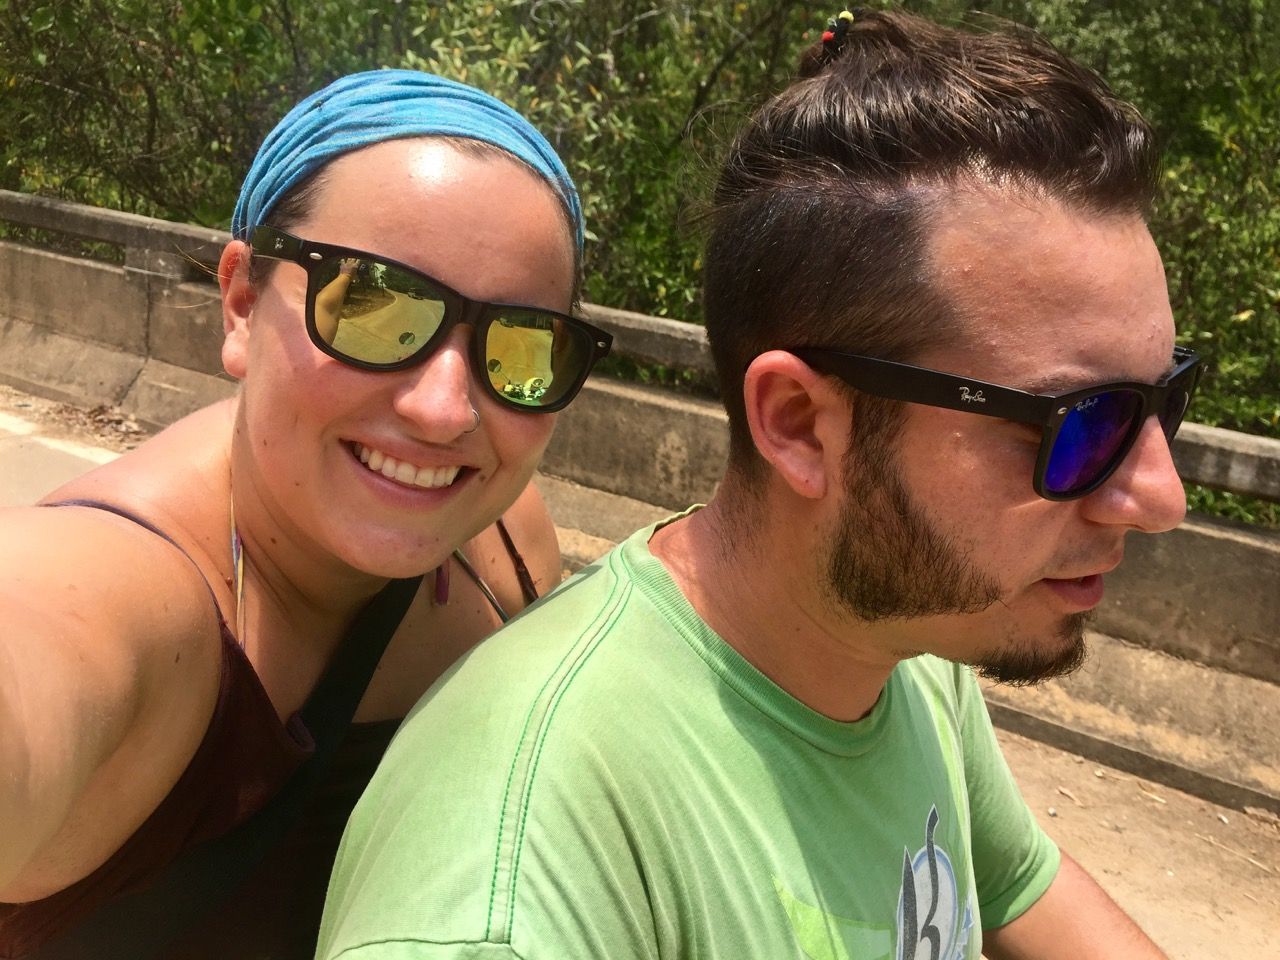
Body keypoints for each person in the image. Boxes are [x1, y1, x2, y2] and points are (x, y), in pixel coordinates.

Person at [318, 10, 1199, 960]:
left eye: (1167, 401)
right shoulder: (527, 863)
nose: (1160, 494)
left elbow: (1026, 889)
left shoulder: (911, 650)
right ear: (798, 424)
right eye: (1085, 425)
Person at [0, 69, 612, 959]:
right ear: (242, 302)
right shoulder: (121, 585)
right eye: (373, 305)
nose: (447, 410)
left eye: (520, 345)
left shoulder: (509, 542)